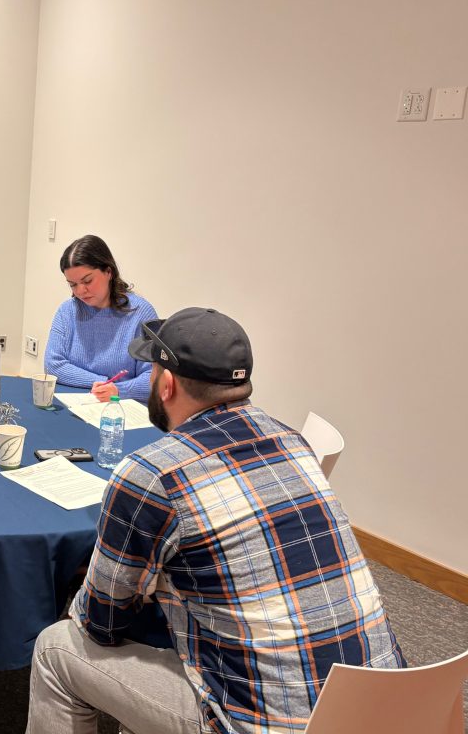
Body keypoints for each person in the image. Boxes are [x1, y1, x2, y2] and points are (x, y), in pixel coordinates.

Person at [27, 307, 405, 734]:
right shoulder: (292, 441)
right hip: (384, 709)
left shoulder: (151, 474)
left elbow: (101, 621)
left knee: (55, 649)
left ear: (166, 384)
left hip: (260, 724)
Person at [44, 234, 157, 402]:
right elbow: (53, 365)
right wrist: (103, 384)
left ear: (108, 272)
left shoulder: (140, 313)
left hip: (121, 409)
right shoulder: (67, 311)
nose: (80, 291)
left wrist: (118, 390)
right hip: (77, 404)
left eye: (87, 281)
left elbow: (154, 378)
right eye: (73, 284)